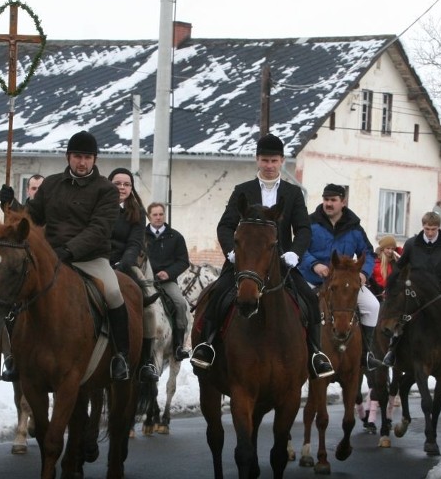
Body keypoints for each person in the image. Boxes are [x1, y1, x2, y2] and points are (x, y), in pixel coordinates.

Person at [190, 133, 334, 379]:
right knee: (217, 295)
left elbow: (303, 229)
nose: (269, 166)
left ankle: (315, 353)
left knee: (309, 299)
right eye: (265, 160)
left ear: (282, 161)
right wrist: (232, 252)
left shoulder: (293, 193)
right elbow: (225, 226)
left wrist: (294, 254)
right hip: (245, 263)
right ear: (257, 160)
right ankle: (208, 346)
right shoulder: (242, 191)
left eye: (274, 161)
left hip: (281, 266)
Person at [0, 130, 132, 381]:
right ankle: (13, 356)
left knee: (114, 293)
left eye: (87, 157)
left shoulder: (106, 190)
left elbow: (99, 229)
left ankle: (120, 357)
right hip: (52, 258)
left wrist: (68, 251)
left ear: (95, 160)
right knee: (15, 291)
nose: (82, 162)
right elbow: (32, 218)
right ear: (68, 157)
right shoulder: (50, 184)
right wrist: (13, 205)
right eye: (77, 156)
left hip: (91, 259)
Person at [299, 183, 381, 369]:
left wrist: (363, 273)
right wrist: (314, 264)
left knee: (372, 306)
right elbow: (300, 250)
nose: (328, 203)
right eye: (326, 199)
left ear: (343, 202)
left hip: (344, 283)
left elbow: (368, 253)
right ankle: (305, 352)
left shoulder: (355, 228)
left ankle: (366, 354)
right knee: (298, 308)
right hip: (312, 279)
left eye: (333, 200)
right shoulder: (310, 223)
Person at [382, 211, 441, 378]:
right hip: (415, 293)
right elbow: (399, 267)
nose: (430, 233)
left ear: (439, 228)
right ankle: (392, 351)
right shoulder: (411, 244)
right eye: (427, 228)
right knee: (395, 315)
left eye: (433, 229)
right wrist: (392, 287)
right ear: (423, 227)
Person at [107, 167, 159, 383]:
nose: (122, 187)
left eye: (126, 184)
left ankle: (146, 360)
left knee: (148, 305)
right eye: (117, 183)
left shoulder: (136, 212)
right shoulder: (97, 206)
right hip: (95, 259)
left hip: (124, 263)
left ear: (131, 188)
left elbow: (135, 242)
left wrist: (122, 264)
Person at [145, 202, 191, 361]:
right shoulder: (140, 235)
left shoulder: (176, 237)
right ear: (149, 216)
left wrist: (169, 273)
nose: (158, 217)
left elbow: (184, 261)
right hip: (144, 281)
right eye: (155, 215)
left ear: (164, 215)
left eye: (161, 214)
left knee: (180, 303)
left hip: (166, 281)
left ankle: (178, 345)